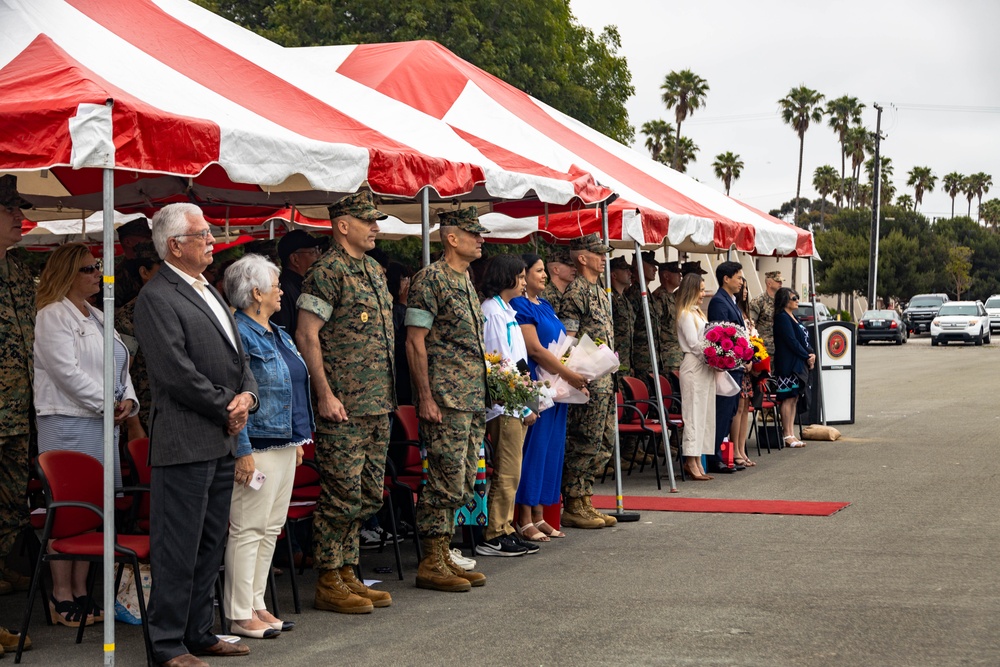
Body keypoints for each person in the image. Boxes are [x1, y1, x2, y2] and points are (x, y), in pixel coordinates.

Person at [134, 202, 259, 667]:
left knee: (210, 542)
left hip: (220, 437)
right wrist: (226, 406)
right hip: (186, 439)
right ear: (174, 245)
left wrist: (247, 396)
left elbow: (239, 356)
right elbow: (174, 372)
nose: (212, 241)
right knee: (178, 547)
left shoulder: (207, 287)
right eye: (203, 235)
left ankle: (198, 631)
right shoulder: (157, 297)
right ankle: (167, 646)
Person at [296, 191, 396, 613]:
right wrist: (324, 393)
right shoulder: (327, 271)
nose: (376, 227)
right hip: (344, 406)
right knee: (341, 495)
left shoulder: (372, 268)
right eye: (367, 220)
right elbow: (306, 334)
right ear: (342, 225)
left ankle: (350, 571)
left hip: (378, 403)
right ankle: (328, 578)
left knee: (369, 495)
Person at [34, 243, 139, 626]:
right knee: (69, 511)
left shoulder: (97, 315)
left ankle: (81, 590)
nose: (98, 272)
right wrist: (106, 402)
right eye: (88, 268)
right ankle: (60, 595)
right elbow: (66, 372)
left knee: (95, 509)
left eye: (97, 266)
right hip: (69, 420)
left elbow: (120, 364)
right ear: (67, 275)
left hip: (103, 422)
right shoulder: (51, 315)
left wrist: (127, 399)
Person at [223, 254, 311, 638]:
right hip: (256, 443)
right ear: (256, 292)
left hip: (283, 442)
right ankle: (240, 612)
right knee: (248, 527)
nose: (281, 289)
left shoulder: (279, 332)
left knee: (270, 527)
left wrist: (296, 437)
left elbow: (291, 386)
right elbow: (234, 396)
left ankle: (256, 604)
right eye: (275, 283)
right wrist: (242, 450)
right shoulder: (239, 333)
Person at [405, 206, 491, 592]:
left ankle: (444, 554)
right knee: (442, 478)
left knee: (461, 479)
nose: (480, 239)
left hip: (470, 398)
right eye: (473, 233)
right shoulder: (432, 280)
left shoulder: (466, 279)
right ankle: (430, 560)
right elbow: (415, 341)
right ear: (451, 238)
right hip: (445, 398)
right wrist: (425, 396)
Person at [510, 253, 584, 539]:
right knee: (534, 448)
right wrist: (569, 374)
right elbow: (535, 349)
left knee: (551, 449)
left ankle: (540, 513)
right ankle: (524, 518)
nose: (543, 276)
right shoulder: (520, 305)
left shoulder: (547, 304)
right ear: (523, 275)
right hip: (534, 382)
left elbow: (561, 343)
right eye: (539, 271)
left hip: (556, 384)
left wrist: (577, 368)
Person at [477, 255, 539, 556]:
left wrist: (530, 401)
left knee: (513, 470)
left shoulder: (507, 310)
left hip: (515, 402)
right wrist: (522, 405)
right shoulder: (491, 310)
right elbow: (498, 362)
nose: (525, 281)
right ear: (506, 277)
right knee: (506, 470)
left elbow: (518, 361)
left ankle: (505, 526)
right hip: (504, 405)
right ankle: (494, 532)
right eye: (521, 276)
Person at [556, 233, 617, 530]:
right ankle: (574, 501)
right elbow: (567, 340)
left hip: (605, 378)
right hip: (588, 379)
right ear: (582, 258)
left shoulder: (601, 292)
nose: (603, 258)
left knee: (604, 442)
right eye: (598, 253)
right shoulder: (576, 292)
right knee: (584, 441)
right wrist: (573, 377)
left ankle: (586, 497)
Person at [0, 175, 35, 606]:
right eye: (9, 209)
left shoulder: (19, 269)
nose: (20, 217)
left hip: (17, 414)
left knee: (12, 511)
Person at [115, 241, 162, 440]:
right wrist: (134, 424)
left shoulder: (177, 307)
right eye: (162, 272)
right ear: (145, 272)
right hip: (146, 412)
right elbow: (122, 371)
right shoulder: (130, 315)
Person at [707, 260, 748, 474]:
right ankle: (714, 457)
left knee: (730, 411)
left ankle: (722, 455)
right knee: (722, 411)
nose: (742, 281)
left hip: (737, 366)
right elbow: (723, 335)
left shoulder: (731, 300)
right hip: (727, 367)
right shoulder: (718, 302)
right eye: (739, 277)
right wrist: (739, 356)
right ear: (726, 278)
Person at [676, 273, 715, 481]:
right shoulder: (684, 313)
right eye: (700, 290)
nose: (703, 294)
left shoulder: (698, 312)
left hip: (704, 365)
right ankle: (690, 460)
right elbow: (693, 343)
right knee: (692, 413)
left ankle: (698, 457)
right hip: (693, 363)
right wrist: (715, 354)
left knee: (705, 413)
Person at [773, 288, 815, 449]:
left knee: (795, 398)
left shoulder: (794, 317)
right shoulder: (782, 318)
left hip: (799, 363)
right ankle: (787, 434)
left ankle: (791, 432)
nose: (797, 300)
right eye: (794, 298)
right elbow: (791, 341)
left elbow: (803, 341)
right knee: (787, 397)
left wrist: (811, 354)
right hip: (787, 364)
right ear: (785, 300)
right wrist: (806, 356)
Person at [273, 230, 324, 337]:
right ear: (295, 259)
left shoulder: (305, 285)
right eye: (313, 252)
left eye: (318, 250)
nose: (319, 256)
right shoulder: (283, 291)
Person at [730, 282, 757, 467]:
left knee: (746, 407)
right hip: (739, 363)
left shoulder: (746, 313)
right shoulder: (734, 310)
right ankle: (735, 451)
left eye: (747, 288)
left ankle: (742, 448)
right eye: (742, 288)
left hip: (748, 364)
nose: (745, 291)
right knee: (738, 409)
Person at [626, 251, 662, 383]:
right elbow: (630, 328)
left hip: (652, 357)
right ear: (639, 266)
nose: (655, 269)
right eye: (651, 265)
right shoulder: (635, 293)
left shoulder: (648, 293)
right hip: (641, 359)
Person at [387, 261, 414, 406]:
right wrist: (403, 304)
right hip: (398, 375)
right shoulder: (393, 308)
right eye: (404, 279)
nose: (407, 283)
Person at [654, 261, 684, 388]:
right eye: (676, 273)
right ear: (666, 276)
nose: (680, 276)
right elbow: (657, 326)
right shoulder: (660, 296)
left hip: (677, 353)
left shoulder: (673, 297)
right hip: (668, 356)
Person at [114, 216, 153, 308]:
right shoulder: (114, 276)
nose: (150, 242)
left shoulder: (154, 265)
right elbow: (109, 310)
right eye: (145, 239)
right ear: (128, 242)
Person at [750, 270, 782, 356]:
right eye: (778, 281)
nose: (781, 283)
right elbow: (752, 325)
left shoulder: (782, 301)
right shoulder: (758, 301)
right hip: (764, 349)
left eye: (781, 281)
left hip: (781, 348)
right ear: (769, 283)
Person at [541, 245, 575, 314]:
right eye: (570, 266)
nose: (574, 269)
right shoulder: (546, 297)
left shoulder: (572, 292)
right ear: (556, 270)